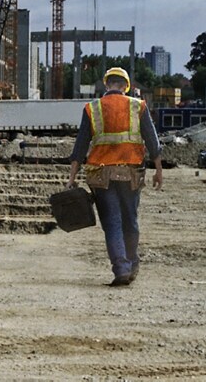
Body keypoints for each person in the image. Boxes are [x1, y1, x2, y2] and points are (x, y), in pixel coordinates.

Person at [68, 67, 165, 286]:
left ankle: (121, 269)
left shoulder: (93, 108)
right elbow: (152, 141)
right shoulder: (138, 106)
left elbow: (80, 146)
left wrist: (72, 178)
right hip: (131, 174)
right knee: (130, 219)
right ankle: (131, 264)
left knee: (112, 223)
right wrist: (159, 170)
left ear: (106, 84)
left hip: (101, 175)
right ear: (126, 86)